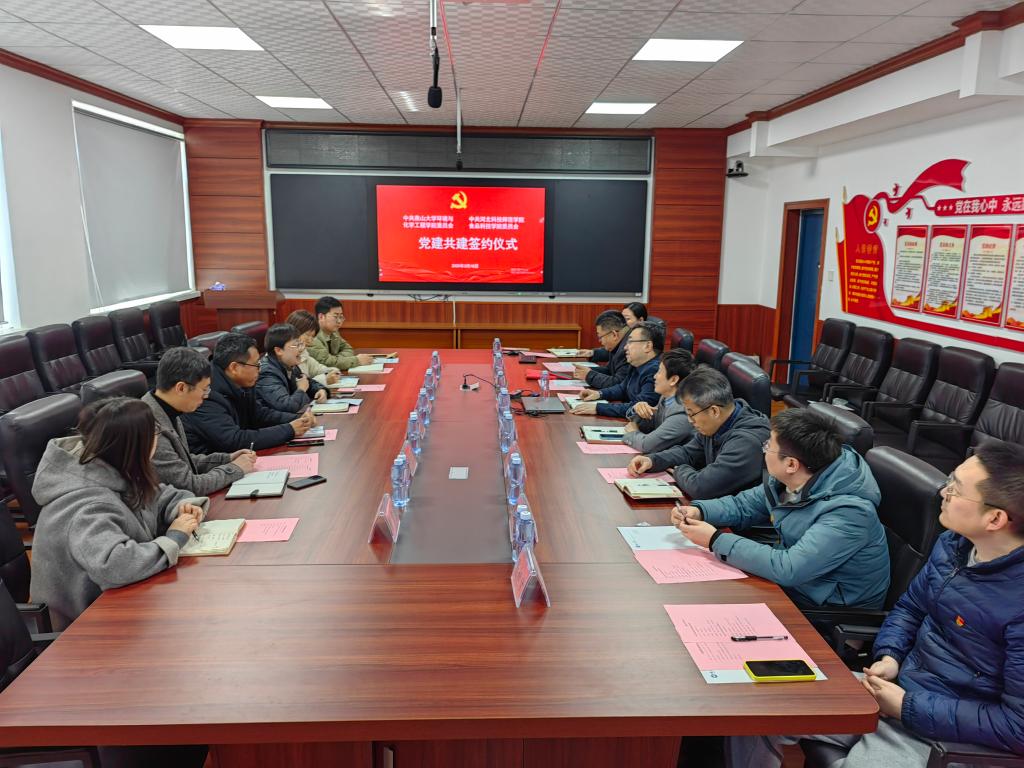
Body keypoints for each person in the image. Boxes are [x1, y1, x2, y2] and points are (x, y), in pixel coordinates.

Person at [726, 443, 1024, 766]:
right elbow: (911, 608)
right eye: (949, 481)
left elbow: (1017, 726)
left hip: (945, 735)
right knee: (756, 704)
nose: (944, 493)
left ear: (995, 518)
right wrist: (890, 656)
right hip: (895, 689)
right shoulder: (955, 545)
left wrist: (908, 706)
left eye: (956, 489)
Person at [672, 407, 889, 609]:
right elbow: (744, 505)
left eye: (768, 446)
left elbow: (789, 568)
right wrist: (700, 511)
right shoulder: (795, 476)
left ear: (791, 464)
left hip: (829, 607)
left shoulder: (849, 512)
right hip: (799, 583)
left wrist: (715, 540)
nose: (764, 449)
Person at [30, 397, 205, 630]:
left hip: (121, 601)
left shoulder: (112, 465)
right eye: (153, 431)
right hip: (82, 627)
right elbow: (116, 565)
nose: (157, 436)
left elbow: (159, 496)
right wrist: (175, 537)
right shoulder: (86, 504)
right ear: (134, 444)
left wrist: (182, 507)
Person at [628, 367, 769, 500]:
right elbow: (688, 453)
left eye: (691, 414)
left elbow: (701, 488)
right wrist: (652, 460)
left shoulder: (746, 442)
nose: (690, 421)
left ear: (714, 411)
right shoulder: (719, 422)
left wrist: (679, 470)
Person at [143, 347, 256, 495]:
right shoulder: (151, 427)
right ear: (181, 388)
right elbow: (188, 485)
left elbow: (184, 461)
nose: (206, 396)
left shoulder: (167, 407)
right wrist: (235, 468)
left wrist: (227, 458)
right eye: (204, 389)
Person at [183, 332, 314, 454]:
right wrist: (289, 430)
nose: (259, 370)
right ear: (234, 368)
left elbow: (259, 415)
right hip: (212, 464)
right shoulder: (205, 393)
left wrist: (297, 419)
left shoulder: (243, 382)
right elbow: (234, 440)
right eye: (256, 365)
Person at [572, 321, 662, 419]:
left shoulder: (656, 372)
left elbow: (637, 408)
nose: (625, 347)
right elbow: (623, 388)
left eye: (630, 342)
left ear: (648, 346)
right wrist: (599, 394)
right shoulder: (638, 364)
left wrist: (598, 408)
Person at [621, 348, 696, 454]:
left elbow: (646, 445)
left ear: (673, 380)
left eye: (659, 372)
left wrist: (632, 433)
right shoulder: (667, 397)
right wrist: (637, 410)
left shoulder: (682, 412)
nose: (654, 376)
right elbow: (652, 424)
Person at [257, 323, 328, 414]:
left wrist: (320, 390)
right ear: (279, 350)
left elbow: (307, 382)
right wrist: (301, 390)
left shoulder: (289, 364)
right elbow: (286, 406)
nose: (301, 349)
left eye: (300, 344)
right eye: (296, 345)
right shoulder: (267, 373)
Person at [307, 296, 374, 371]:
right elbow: (327, 363)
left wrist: (337, 359)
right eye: (335, 317)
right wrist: (357, 360)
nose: (339, 321)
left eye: (341, 317)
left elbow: (348, 348)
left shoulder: (334, 332)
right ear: (321, 317)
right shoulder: (312, 336)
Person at [573, 310, 630, 389]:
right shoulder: (618, 344)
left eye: (600, 337)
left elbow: (618, 384)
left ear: (614, 335)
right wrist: (588, 371)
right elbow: (609, 371)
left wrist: (589, 375)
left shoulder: (627, 350)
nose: (600, 341)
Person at [286, 309, 341, 386]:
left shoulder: (303, 353)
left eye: (312, 337)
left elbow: (317, 368)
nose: (310, 341)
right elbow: (296, 385)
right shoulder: (285, 356)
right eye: (308, 335)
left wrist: (332, 371)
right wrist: (325, 379)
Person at [581, 302, 649, 361]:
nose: (622, 322)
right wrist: (592, 353)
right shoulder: (624, 335)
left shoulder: (640, 340)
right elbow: (615, 351)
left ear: (640, 320)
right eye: (622, 318)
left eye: (627, 319)